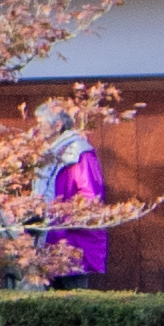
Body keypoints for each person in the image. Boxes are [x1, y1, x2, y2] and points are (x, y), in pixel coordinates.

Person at [34, 99, 118, 282]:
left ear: (57, 125)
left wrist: (62, 220)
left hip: (70, 239)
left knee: (72, 295)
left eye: (41, 123)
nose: (37, 128)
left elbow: (91, 198)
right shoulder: (49, 154)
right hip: (49, 236)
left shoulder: (79, 153)